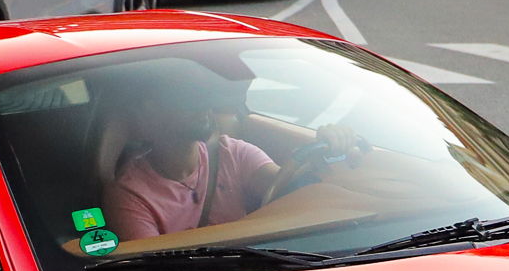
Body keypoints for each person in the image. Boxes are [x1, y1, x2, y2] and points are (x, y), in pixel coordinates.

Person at [99, 75, 357, 241]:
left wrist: (327, 153)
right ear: (151, 111)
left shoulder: (233, 153)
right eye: (185, 99)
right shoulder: (130, 195)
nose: (203, 106)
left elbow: (287, 190)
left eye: (204, 97)